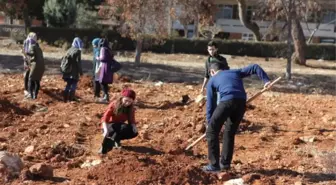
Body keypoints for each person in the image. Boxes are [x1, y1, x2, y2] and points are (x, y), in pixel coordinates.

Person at [203, 63, 271, 172]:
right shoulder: (234, 72)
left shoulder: (212, 80)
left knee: (211, 132)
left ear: (212, 72)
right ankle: (225, 164)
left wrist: (209, 122)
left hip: (226, 102)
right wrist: (266, 81)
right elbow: (254, 67)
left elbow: (211, 104)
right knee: (229, 132)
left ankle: (214, 166)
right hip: (241, 103)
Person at [99, 89, 138, 154]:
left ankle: (116, 140)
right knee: (122, 127)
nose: (127, 103)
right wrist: (105, 129)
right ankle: (106, 147)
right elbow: (105, 117)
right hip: (109, 126)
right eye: (126, 100)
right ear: (122, 98)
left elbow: (131, 120)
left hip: (119, 126)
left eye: (130, 101)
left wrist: (134, 127)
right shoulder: (114, 105)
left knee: (133, 132)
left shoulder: (130, 108)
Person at [22, 32, 45, 100]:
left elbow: (31, 53)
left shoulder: (35, 44)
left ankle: (31, 93)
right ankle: (28, 90)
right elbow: (24, 52)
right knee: (28, 76)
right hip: (28, 61)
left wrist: (26, 54)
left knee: (31, 77)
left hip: (33, 63)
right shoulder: (26, 42)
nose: (35, 38)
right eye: (34, 37)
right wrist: (25, 58)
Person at [62, 37, 83, 102]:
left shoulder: (69, 50)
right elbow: (78, 63)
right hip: (74, 71)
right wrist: (81, 72)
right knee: (74, 84)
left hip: (67, 71)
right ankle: (71, 98)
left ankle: (65, 99)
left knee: (68, 84)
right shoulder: (77, 51)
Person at [95, 38, 114, 103]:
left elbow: (103, 58)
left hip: (104, 66)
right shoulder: (109, 49)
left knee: (102, 81)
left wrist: (98, 58)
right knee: (105, 82)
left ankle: (106, 96)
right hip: (109, 67)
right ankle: (106, 96)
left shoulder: (103, 49)